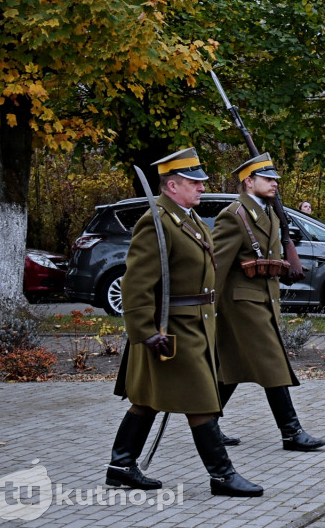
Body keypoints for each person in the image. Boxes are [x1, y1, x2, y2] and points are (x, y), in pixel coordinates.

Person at [107, 147, 262, 497]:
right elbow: (135, 284)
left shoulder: (186, 219)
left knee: (147, 399)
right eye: (194, 182)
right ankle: (222, 475)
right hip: (172, 329)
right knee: (202, 399)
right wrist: (144, 332)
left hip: (196, 323)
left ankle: (120, 466)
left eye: (201, 182)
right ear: (171, 186)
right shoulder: (156, 222)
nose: (201, 188)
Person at [212, 153, 325, 452]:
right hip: (240, 305)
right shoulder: (233, 215)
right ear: (248, 182)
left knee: (231, 369)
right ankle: (291, 432)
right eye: (267, 179)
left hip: (264, 300)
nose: (275, 183)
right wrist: (206, 307)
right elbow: (217, 267)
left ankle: (207, 424)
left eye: (275, 178)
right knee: (273, 362)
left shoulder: (270, 213)